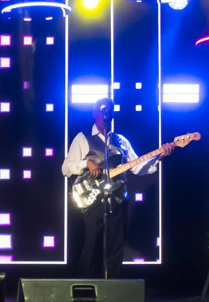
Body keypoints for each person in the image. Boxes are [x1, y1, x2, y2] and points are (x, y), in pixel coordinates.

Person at [60, 97, 172, 278]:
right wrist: (86, 163)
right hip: (92, 199)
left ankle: (112, 287)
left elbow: (137, 167)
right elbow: (66, 168)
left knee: (116, 247)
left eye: (109, 110)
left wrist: (158, 157)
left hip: (117, 199)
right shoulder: (82, 138)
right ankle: (87, 286)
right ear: (95, 113)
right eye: (102, 109)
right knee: (92, 245)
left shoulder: (121, 141)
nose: (106, 113)